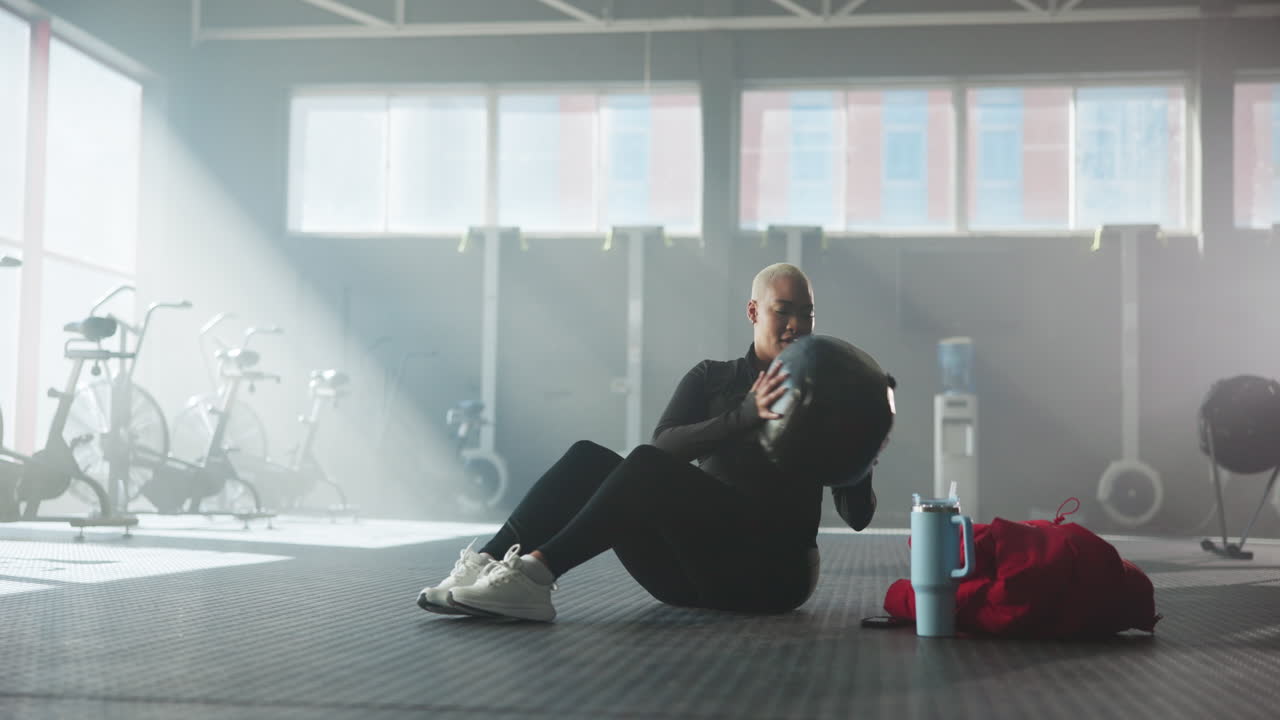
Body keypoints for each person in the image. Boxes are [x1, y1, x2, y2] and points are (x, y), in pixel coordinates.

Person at [416, 263, 888, 622]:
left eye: (805, 314)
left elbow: (859, 518)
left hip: (772, 577)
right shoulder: (713, 378)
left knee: (640, 465)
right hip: (691, 571)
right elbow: (664, 446)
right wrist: (742, 417)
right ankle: (484, 566)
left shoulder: (823, 391)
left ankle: (536, 577)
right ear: (753, 312)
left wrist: (864, 445)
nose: (795, 326)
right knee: (589, 458)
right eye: (782, 311)